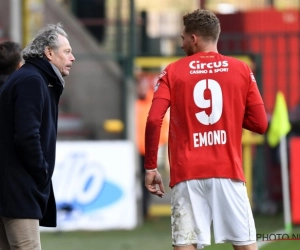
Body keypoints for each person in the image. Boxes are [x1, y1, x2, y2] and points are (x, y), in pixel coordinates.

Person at [144, 9, 268, 250]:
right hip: (227, 169)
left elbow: (153, 119)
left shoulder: (173, 71)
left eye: (182, 38)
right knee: (245, 246)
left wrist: (151, 166)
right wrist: (228, 116)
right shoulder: (241, 69)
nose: (180, 45)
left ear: (194, 39)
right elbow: (261, 124)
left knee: (186, 244)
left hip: (187, 172)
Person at [0, 23, 75, 249]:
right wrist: (41, 172)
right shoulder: (32, 80)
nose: (72, 58)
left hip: (9, 187)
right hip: (19, 189)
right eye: (67, 51)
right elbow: (27, 136)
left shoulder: (28, 77)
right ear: (49, 53)